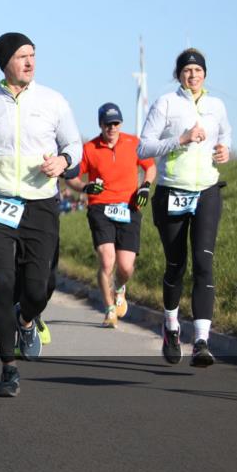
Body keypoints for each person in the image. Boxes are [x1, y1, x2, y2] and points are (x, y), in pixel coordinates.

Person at [0, 33, 81, 397]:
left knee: (40, 287)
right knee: (4, 282)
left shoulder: (53, 100)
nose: (29, 62)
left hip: (40, 202)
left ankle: (27, 320)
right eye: (22, 56)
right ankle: (8, 368)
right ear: (5, 63)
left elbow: (73, 144)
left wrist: (63, 161)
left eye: (32, 55)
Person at [139, 48, 231, 367]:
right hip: (171, 191)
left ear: (205, 74)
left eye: (198, 70)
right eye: (186, 71)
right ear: (178, 74)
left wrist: (223, 151)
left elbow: (225, 136)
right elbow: (145, 146)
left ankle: (202, 341)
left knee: (204, 263)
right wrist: (181, 139)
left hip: (206, 189)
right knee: (176, 264)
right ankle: (172, 326)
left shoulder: (216, 106)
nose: (192, 76)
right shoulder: (166, 103)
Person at [66, 102, 156, 328]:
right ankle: (109, 310)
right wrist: (85, 188)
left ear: (121, 124)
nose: (112, 128)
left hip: (129, 207)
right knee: (107, 260)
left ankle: (120, 288)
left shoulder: (133, 143)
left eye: (116, 123)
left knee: (126, 266)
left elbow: (150, 167)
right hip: (100, 208)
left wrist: (145, 186)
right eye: (108, 124)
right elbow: (72, 177)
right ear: (100, 125)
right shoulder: (89, 148)